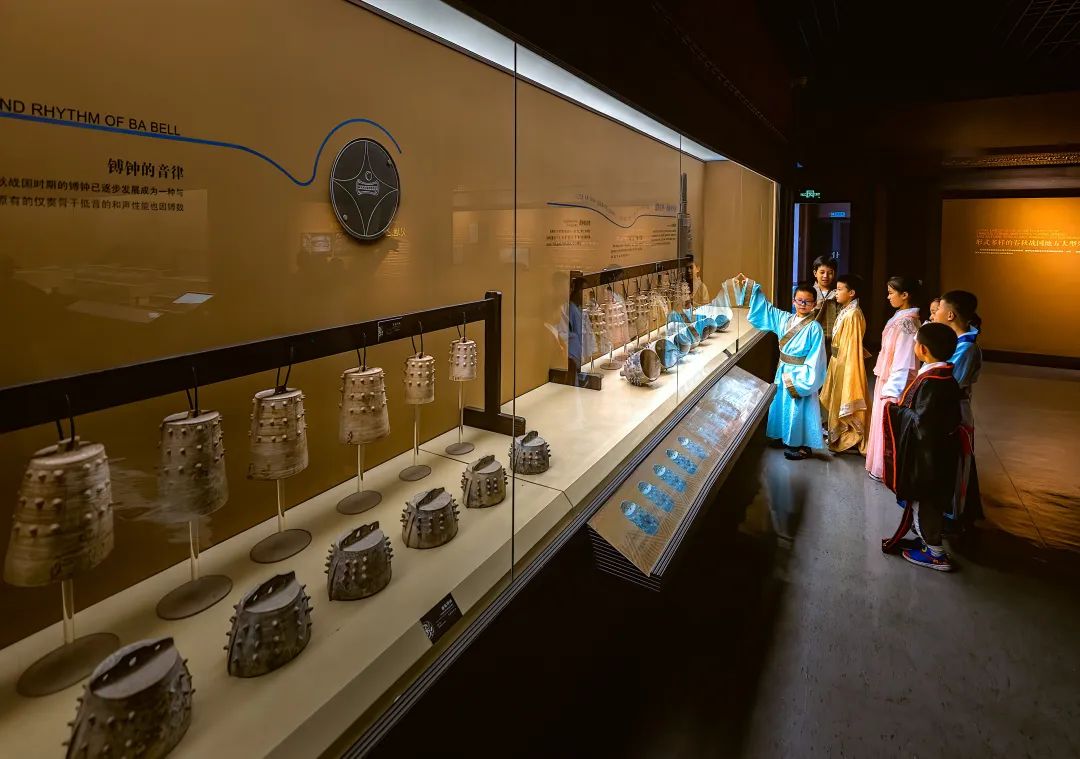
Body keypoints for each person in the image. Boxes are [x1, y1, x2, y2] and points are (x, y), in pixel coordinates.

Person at [879, 322, 962, 571]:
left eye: (916, 343)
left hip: (929, 457)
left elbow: (922, 425)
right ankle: (926, 542)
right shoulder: (944, 376)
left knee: (926, 501)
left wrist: (895, 411)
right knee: (926, 501)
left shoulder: (933, 382)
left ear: (923, 349)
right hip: (940, 452)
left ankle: (936, 553)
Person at [745, 276, 827, 460]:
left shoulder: (815, 328)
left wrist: (804, 380)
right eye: (799, 300)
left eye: (807, 302)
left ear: (814, 304)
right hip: (783, 369)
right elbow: (767, 310)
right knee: (782, 403)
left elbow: (816, 357)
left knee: (799, 408)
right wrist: (752, 288)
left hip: (800, 373)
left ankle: (801, 445)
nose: (803, 304)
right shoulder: (784, 319)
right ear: (793, 301)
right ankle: (784, 436)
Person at [933, 289, 984, 526]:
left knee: (954, 464)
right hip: (944, 406)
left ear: (950, 315)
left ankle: (951, 516)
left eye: (939, 310)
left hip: (953, 411)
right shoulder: (955, 342)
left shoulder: (967, 348)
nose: (935, 314)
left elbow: (949, 382)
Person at [865, 276, 922, 481]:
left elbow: (903, 360)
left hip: (895, 381)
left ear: (904, 295)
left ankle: (888, 470)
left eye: (891, 293)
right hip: (887, 377)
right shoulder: (900, 317)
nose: (888, 297)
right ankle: (880, 466)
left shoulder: (907, 323)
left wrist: (892, 390)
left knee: (888, 423)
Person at [819, 273, 869, 454]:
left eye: (840, 289)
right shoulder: (846, 310)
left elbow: (852, 346)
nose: (836, 293)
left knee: (844, 397)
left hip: (845, 363)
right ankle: (840, 436)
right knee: (836, 398)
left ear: (851, 293)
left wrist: (847, 368)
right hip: (837, 361)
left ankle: (850, 438)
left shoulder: (853, 314)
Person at [809, 255, 838, 354]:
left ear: (834, 274)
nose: (825, 276)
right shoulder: (808, 293)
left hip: (834, 341)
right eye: (822, 272)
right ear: (815, 273)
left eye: (830, 273)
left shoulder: (838, 294)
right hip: (812, 340)